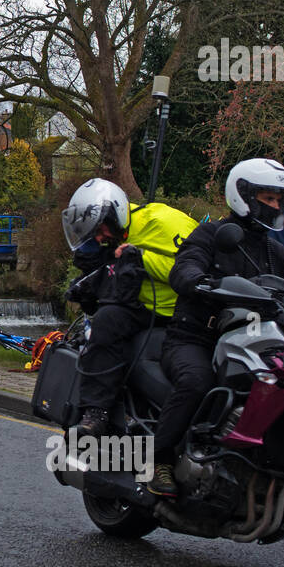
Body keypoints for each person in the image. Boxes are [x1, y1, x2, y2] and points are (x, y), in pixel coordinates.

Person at [149, 159, 284, 497]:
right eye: (269, 198)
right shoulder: (210, 235)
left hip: (252, 343)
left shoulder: (274, 251)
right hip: (196, 338)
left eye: (279, 200)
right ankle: (157, 459)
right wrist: (198, 281)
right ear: (243, 195)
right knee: (197, 381)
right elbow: (184, 266)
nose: (275, 206)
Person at [61, 178, 197, 436]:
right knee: (105, 321)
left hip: (180, 311)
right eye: (94, 236)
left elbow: (191, 270)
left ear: (116, 214)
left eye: (100, 230)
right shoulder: (113, 236)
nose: (100, 238)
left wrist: (143, 259)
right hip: (141, 307)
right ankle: (96, 412)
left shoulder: (164, 222)